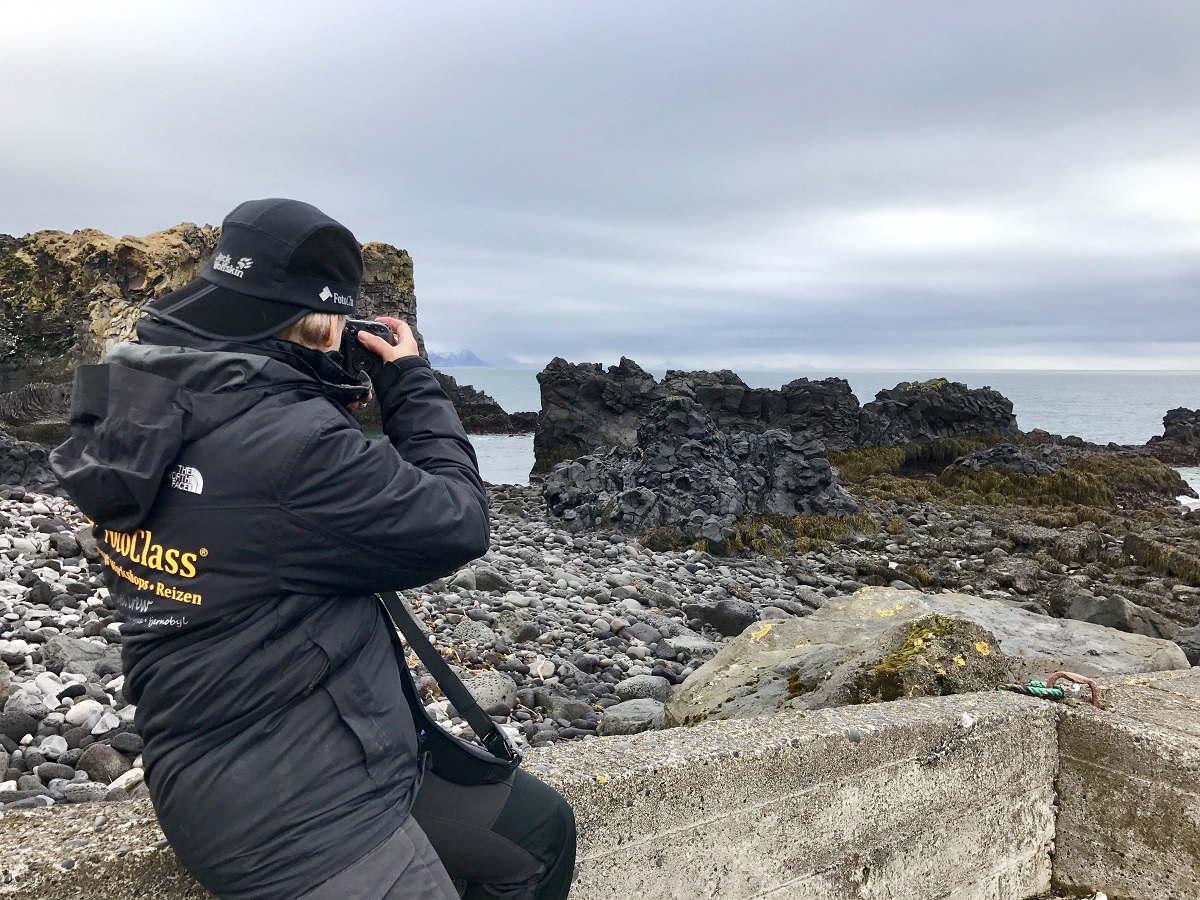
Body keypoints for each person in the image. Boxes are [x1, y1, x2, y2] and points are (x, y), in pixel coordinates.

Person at [50, 198, 576, 899]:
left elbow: (258, 500)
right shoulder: (291, 445)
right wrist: (407, 381)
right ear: (328, 320)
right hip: (297, 811)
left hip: (302, 746)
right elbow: (458, 519)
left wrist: (312, 383)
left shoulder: (149, 399)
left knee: (538, 836)